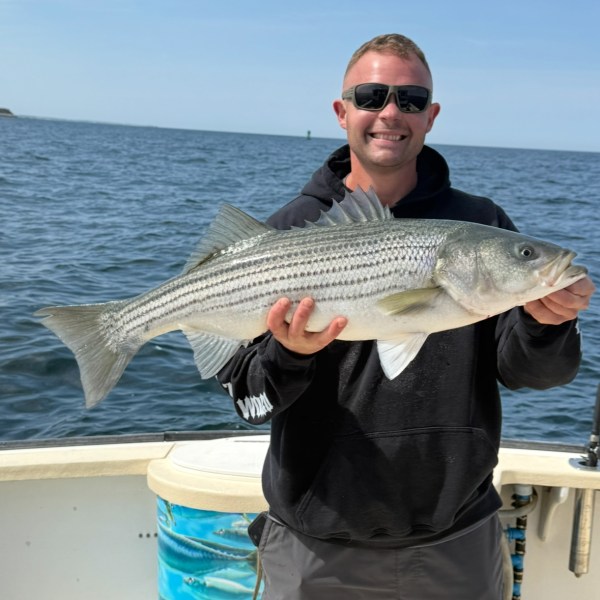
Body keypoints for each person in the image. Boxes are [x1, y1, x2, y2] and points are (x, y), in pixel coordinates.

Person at [217, 34, 595, 599]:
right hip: (315, 548)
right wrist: (288, 355)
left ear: (431, 116)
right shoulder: (286, 230)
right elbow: (249, 403)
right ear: (342, 111)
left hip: (456, 539)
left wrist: (548, 323)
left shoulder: (479, 222)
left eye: (411, 99)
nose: (390, 112)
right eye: (371, 95)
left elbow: (531, 374)